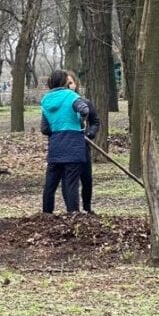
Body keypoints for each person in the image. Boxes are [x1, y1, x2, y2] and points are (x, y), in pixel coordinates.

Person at [40, 69, 94, 214]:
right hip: (73, 143)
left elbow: (45, 129)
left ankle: (46, 214)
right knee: (71, 182)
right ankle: (73, 213)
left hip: (56, 145)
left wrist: (57, 126)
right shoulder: (71, 95)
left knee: (50, 183)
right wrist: (79, 121)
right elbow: (84, 110)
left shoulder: (45, 100)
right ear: (64, 81)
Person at [66, 71, 101, 214]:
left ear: (76, 84)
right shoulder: (62, 104)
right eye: (65, 83)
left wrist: (90, 133)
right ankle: (72, 210)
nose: (68, 86)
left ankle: (87, 207)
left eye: (70, 83)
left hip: (83, 144)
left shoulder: (85, 103)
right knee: (70, 180)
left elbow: (95, 121)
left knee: (86, 179)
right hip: (67, 145)